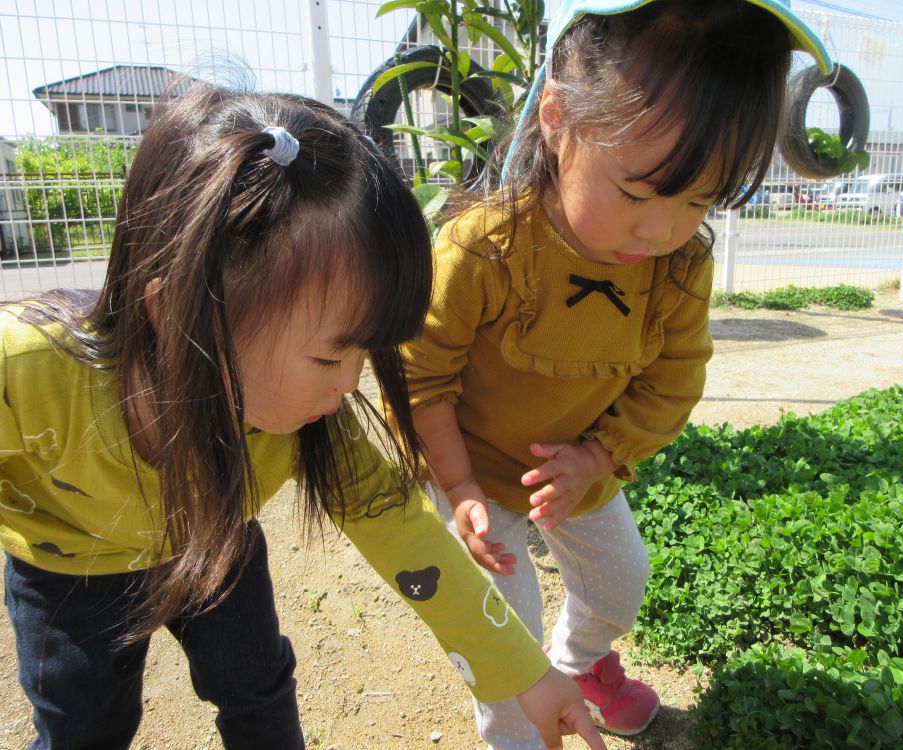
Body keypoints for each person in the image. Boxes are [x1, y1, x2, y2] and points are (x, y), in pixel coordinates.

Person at [0, 84, 607, 750]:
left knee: (258, 691)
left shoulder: (309, 425)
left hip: (214, 540)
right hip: (69, 567)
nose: (351, 385)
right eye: (330, 357)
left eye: (365, 353)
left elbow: (408, 536)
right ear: (178, 312)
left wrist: (527, 673)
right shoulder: (26, 375)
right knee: (86, 726)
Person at [399, 1, 833, 747]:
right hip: (467, 465)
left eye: (700, 200)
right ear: (559, 119)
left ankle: (579, 666)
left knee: (619, 582)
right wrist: (461, 488)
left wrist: (595, 459)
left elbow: (673, 380)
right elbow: (420, 376)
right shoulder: (485, 250)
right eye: (639, 192)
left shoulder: (679, 267)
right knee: (505, 631)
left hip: (579, 465)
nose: (661, 229)